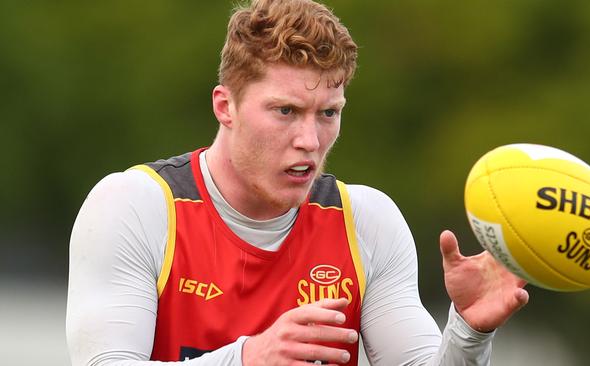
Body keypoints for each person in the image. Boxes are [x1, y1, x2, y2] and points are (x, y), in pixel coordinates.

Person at [66, 0, 529, 365]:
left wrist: (468, 332)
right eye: (285, 111)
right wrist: (249, 358)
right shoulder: (135, 205)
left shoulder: (367, 221)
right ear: (225, 106)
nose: (309, 140)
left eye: (328, 113)